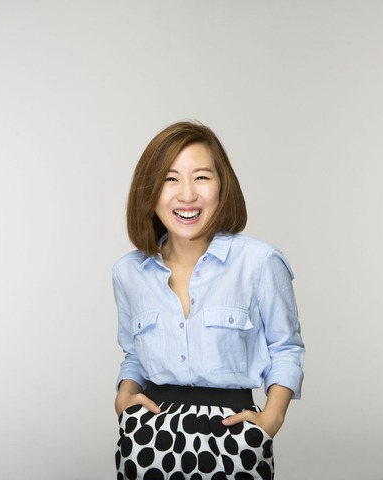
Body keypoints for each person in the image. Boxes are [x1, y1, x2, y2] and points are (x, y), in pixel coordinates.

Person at [113, 121, 304, 480]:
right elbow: (134, 354)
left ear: (222, 185)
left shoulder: (260, 262)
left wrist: (271, 419)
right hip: (148, 438)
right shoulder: (128, 272)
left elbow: (285, 348)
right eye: (170, 179)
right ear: (150, 191)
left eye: (201, 177)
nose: (187, 195)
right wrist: (124, 399)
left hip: (234, 436)